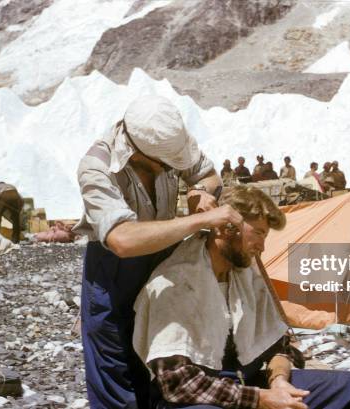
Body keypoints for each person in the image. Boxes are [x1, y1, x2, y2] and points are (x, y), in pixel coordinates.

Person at [133, 185, 350, 409]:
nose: (261, 246)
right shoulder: (176, 281)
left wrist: (279, 381)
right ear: (226, 228)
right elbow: (178, 385)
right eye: (258, 233)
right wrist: (260, 399)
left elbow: (280, 346)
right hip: (198, 398)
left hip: (245, 385)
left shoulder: (245, 275)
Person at [72, 95, 243, 409]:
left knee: (161, 358)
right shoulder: (97, 166)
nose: (173, 168)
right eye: (166, 166)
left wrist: (201, 192)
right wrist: (200, 219)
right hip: (114, 271)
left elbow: (207, 174)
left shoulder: (169, 137)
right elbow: (122, 240)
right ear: (138, 153)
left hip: (162, 261)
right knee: (117, 365)